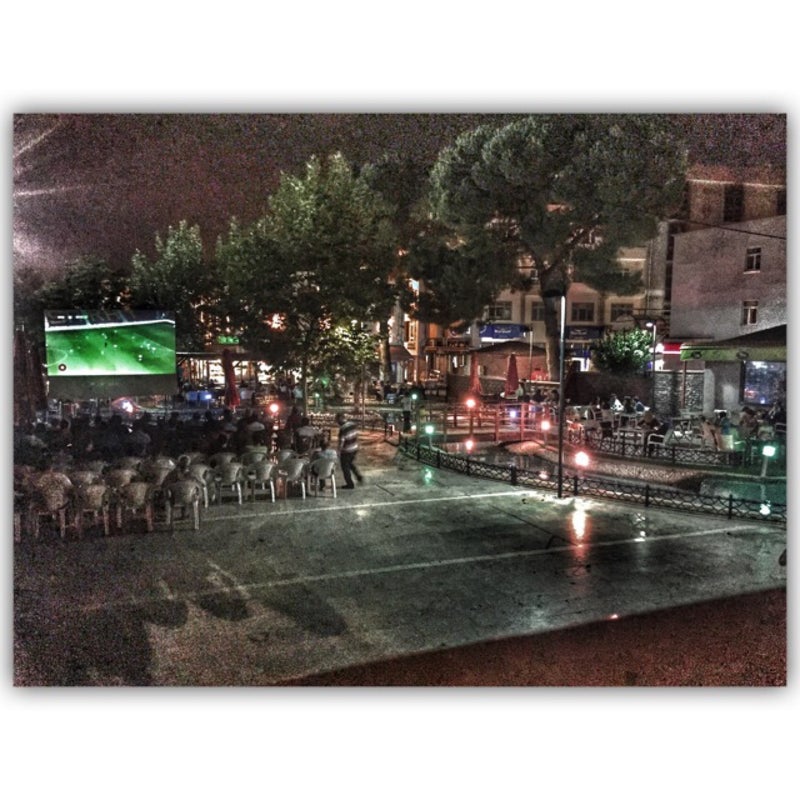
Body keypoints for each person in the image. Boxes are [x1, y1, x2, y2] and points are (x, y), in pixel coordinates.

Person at [336, 412, 363, 489]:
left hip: (346, 451)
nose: (337, 423)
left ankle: (350, 484)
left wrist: (338, 452)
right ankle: (358, 476)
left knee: (345, 468)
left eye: (337, 420)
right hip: (354, 448)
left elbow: (341, 442)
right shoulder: (352, 424)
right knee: (350, 463)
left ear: (339, 419)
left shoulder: (342, 429)